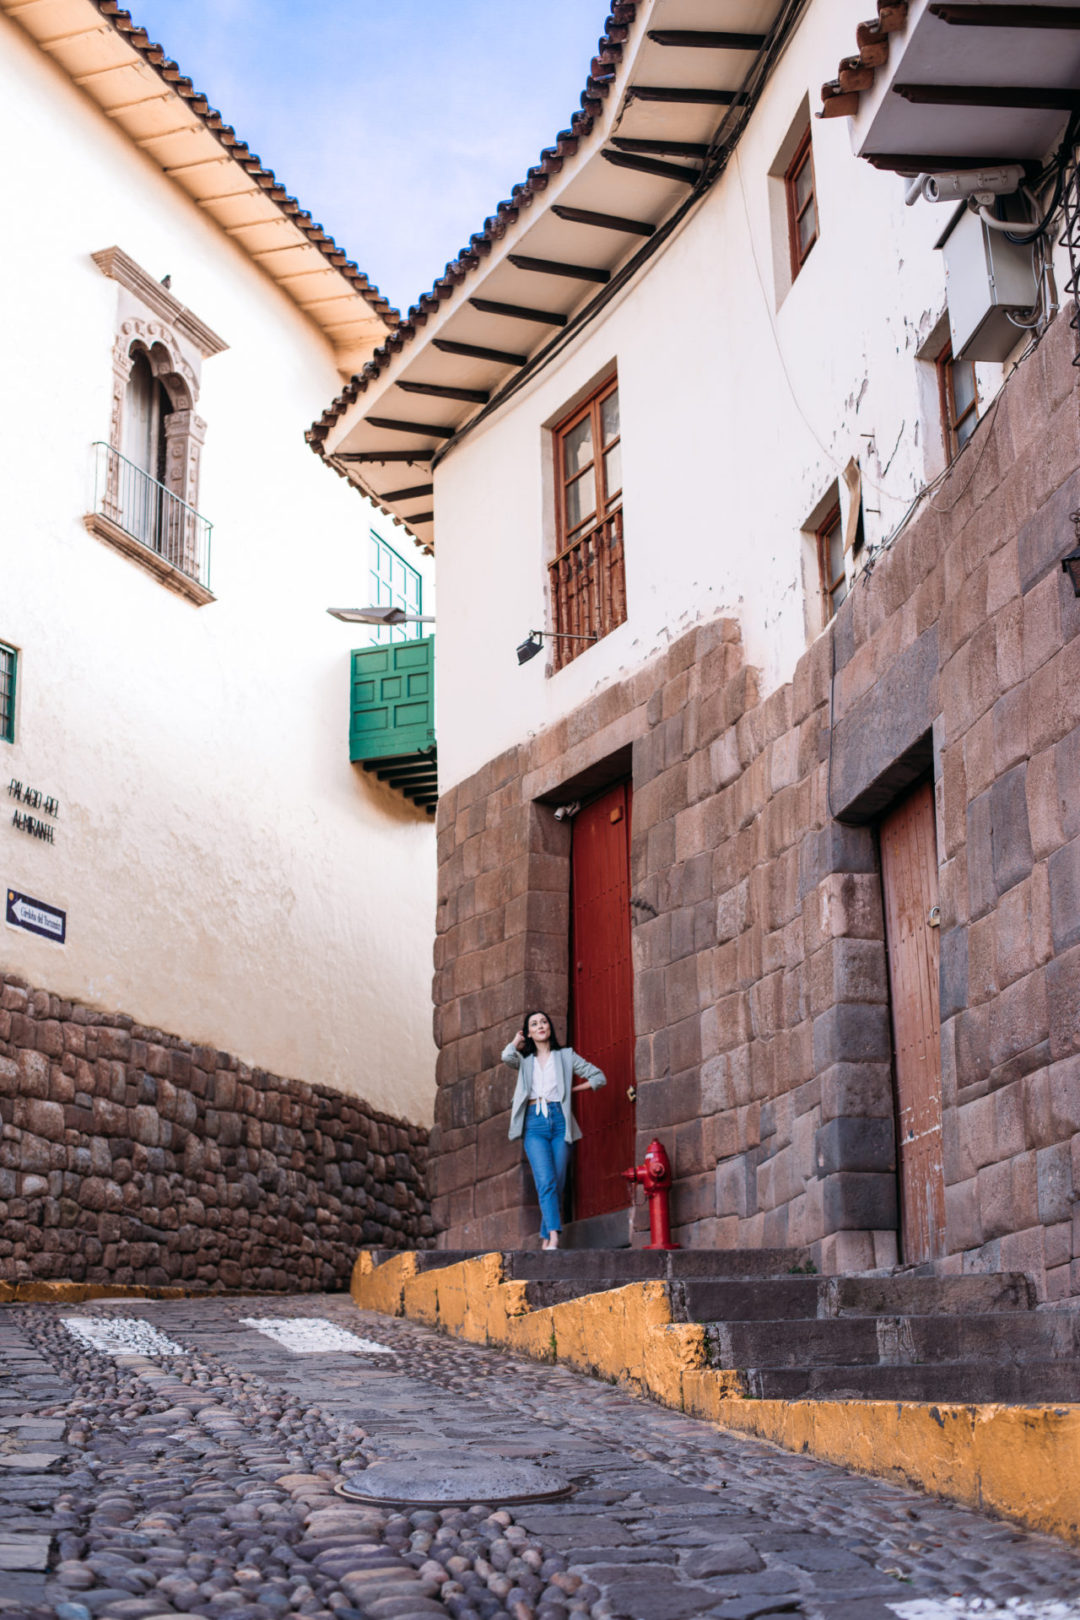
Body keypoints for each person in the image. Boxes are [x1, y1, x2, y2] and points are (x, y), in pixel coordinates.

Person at [502, 1011, 606, 1250]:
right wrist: (516, 1042)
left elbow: (599, 1077)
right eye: (534, 1024)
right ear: (529, 1032)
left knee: (556, 1182)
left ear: (550, 1027)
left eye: (544, 1022)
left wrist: (573, 1091)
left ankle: (545, 1237)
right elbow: (507, 1056)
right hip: (534, 1125)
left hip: (560, 1122)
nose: (541, 1026)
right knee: (546, 1180)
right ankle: (554, 1236)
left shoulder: (566, 1056)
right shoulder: (524, 1061)